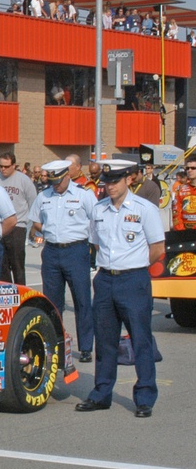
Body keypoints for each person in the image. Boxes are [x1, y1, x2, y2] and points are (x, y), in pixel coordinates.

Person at [75, 160, 165, 418]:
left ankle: (145, 396)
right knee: (104, 341)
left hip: (133, 280)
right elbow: (95, 243)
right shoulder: (99, 209)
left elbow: (157, 248)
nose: (110, 187)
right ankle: (101, 393)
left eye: (115, 181)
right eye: (107, 182)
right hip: (105, 280)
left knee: (141, 339)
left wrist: (133, 266)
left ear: (128, 180)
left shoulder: (144, 209)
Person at [28, 160, 98, 362]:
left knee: (82, 300)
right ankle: (54, 344)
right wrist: (49, 230)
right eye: (52, 181)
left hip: (76, 250)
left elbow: (95, 221)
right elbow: (36, 220)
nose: (55, 185)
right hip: (52, 251)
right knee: (52, 302)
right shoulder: (44, 196)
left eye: (58, 181)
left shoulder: (83, 195)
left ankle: (85, 347)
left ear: (68, 176)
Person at [0, 152, 37, 285]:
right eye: (1, 166)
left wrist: (32, 226)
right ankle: (7, 292)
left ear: (14, 165)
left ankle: (21, 292)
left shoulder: (24, 180)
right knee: (2, 265)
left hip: (18, 227)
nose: (3, 169)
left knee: (17, 264)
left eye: (6, 166)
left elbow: (33, 202)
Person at [172, 157, 196, 230]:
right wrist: (181, 230)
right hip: (185, 232)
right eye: (187, 168)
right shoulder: (181, 189)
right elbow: (176, 212)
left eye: (193, 168)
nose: (189, 170)